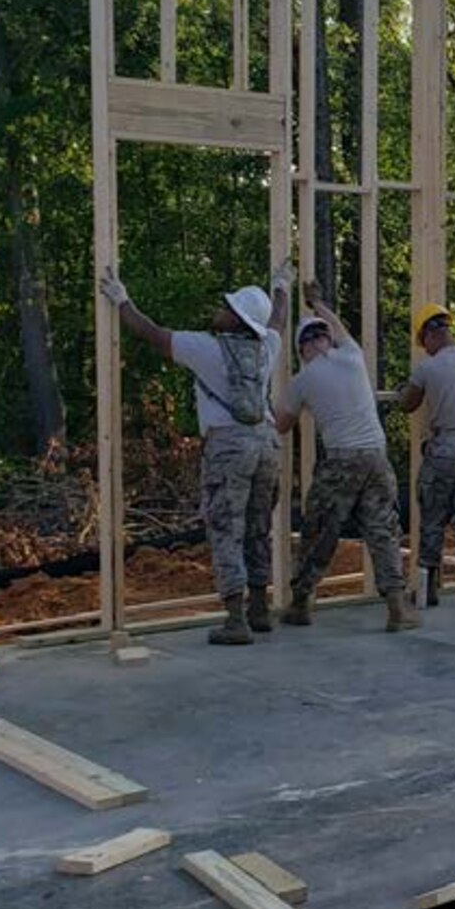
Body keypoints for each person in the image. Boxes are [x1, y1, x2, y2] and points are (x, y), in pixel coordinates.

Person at [98, 261, 289, 645]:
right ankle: (259, 610)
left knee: (224, 529)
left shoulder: (206, 349)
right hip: (266, 443)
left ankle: (235, 621)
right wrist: (282, 287)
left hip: (229, 446)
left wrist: (121, 301)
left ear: (237, 320)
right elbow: (280, 320)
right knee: (257, 528)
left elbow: (152, 334)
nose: (219, 310)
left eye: (227, 308)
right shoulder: (268, 345)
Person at [275, 287, 416, 632]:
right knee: (382, 530)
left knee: (319, 531)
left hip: (341, 461)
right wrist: (318, 303)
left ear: (302, 347)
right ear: (327, 340)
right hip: (376, 458)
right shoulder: (353, 357)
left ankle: (300, 604)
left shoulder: (303, 379)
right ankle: (397, 609)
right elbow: (339, 327)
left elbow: (280, 425)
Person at [389, 303, 455, 609]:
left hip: (444, 446)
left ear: (430, 334)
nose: (425, 349)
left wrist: (399, 392)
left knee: (432, 516)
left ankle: (427, 588)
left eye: (423, 342)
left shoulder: (428, 368)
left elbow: (408, 404)